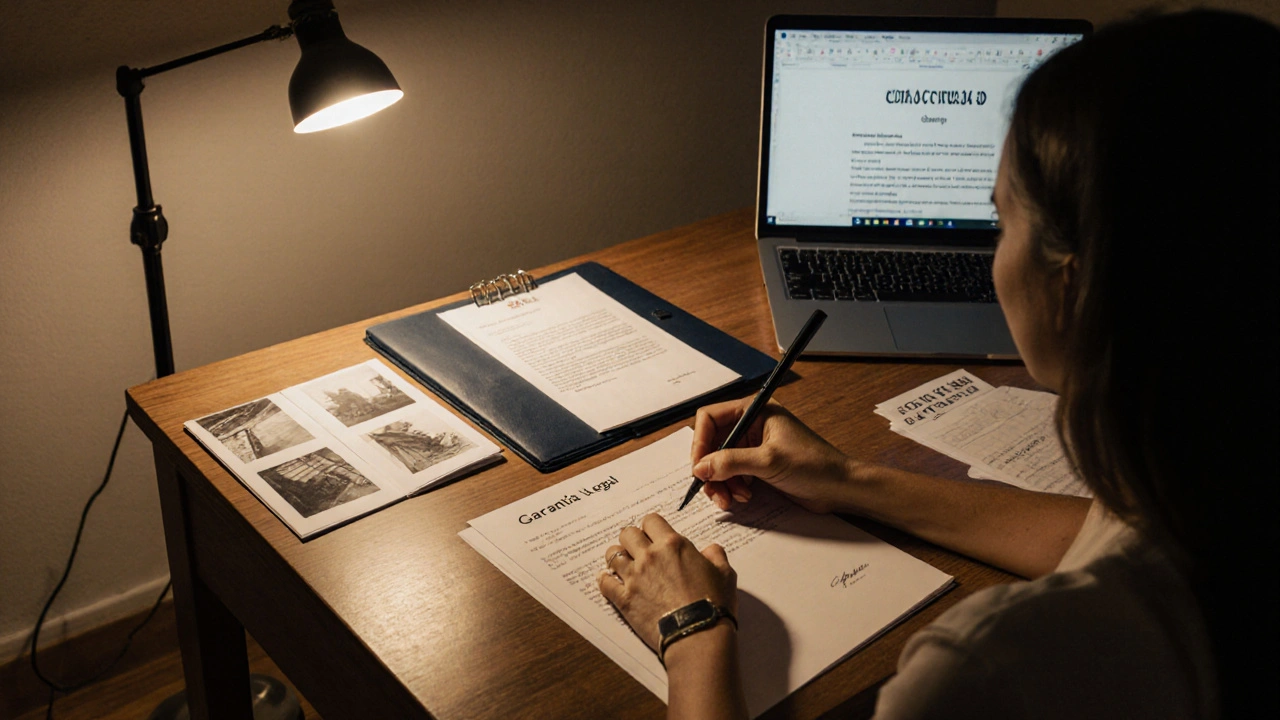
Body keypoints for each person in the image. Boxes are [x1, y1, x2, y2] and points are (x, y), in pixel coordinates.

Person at [596, 10, 1279, 719]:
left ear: (1072, 284)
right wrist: (847, 479)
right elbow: (1108, 536)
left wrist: (692, 630)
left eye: (1001, 220)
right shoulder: (1214, 491)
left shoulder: (994, 669)